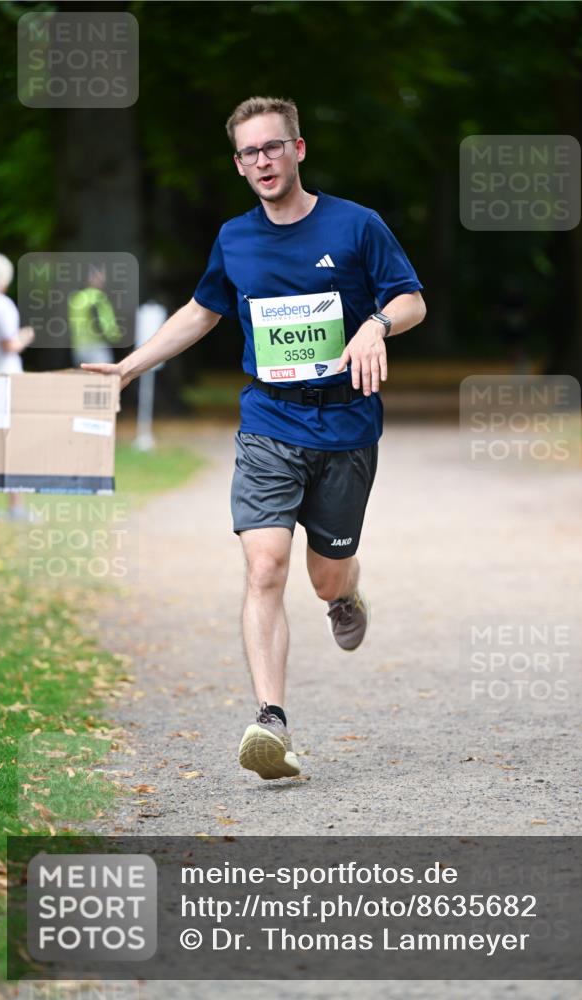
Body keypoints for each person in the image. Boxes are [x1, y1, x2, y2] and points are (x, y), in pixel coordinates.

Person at [80, 96, 426, 780]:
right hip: (269, 420)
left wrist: (375, 325)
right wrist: (127, 367)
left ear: (298, 150)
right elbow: (201, 311)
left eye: (272, 147)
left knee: (325, 574)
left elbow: (410, 298)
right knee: (264, 566)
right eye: (248, 153)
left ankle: (344, 594)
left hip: (346, 424)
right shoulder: (234, 238)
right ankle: (271, 720)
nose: (262, 161)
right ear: (238, 165)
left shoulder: (356, 225)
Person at [0, 252, 35, 522]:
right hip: (5, 380)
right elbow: (9, 344)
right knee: (11, 441)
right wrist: (25, 337)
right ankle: (16, 506)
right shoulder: (2, 306)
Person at [68, 264, 121, 367]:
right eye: (100, 276)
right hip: (97, 347)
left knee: (82, 375)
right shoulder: (97, 296)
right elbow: (103, 323)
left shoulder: (76, 298)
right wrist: (116, 337)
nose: (104, 280)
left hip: (78, 348)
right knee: (104, 375)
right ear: (91, 278)